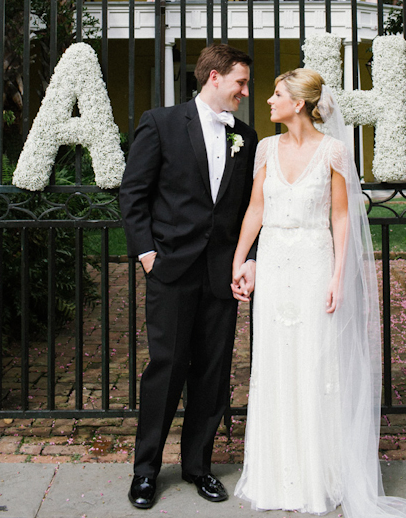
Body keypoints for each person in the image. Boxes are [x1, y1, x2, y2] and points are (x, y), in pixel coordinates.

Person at [232, 69, 406, 518]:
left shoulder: (334, 151)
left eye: (276, 95)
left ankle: (321, 473)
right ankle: (277, 473)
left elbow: (341, 219)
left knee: (318, 362)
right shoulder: (264, 149)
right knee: (276, 360)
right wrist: (240, 260)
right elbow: (256, 208)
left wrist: (338, 276)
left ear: (298, 103)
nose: (269, 101)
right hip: (275, 264)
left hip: (315, 264)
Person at [120, 43, 258, 510]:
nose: (245, 90)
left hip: (221, 274)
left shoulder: (247, 136)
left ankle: (198, 466)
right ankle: (146, 471)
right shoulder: (159, 123)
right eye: (240, 81)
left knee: (213, 373)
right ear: (214, 78)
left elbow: (248, 212)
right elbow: (134, 193)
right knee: (166, 368)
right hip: (172, 269)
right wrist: (146, 254)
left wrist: (248, 259)